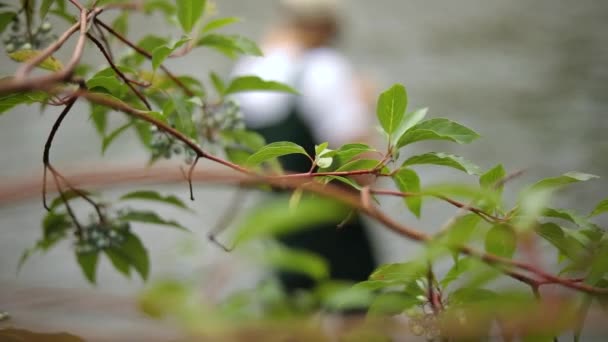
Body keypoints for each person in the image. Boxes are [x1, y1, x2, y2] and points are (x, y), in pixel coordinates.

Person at [231, 0, 377, 292]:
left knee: (294, 315)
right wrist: (367, 104)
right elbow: (363, 169)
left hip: (279, 225)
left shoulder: (248, 68)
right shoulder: (326, 69)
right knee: (365, 315)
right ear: (327, 26)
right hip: (335, 226)